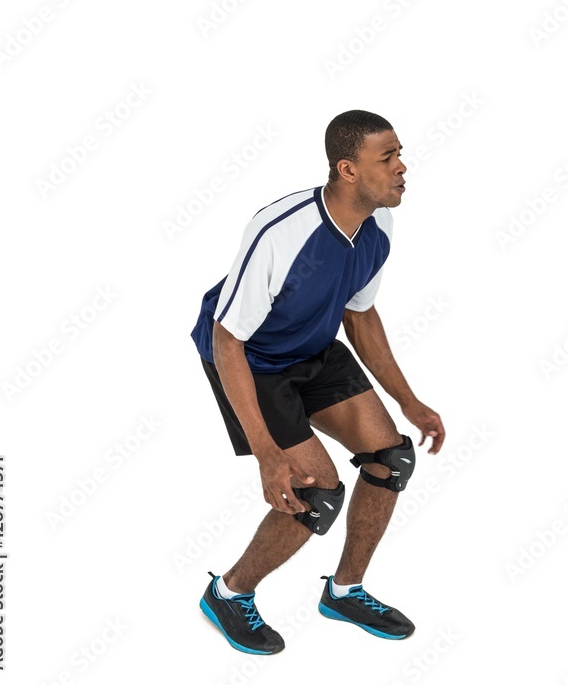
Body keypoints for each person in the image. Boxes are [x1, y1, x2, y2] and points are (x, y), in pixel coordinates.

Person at [190, 109, 445, 654]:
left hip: (311, 346)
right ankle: (230, 593)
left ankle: (345, 591)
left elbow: (360, 316)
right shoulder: (281, 230)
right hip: (249, 357)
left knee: (391, 457)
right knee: (317, 492)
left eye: (400, 154)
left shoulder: (379, 223)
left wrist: (410, 402)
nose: (403, 166)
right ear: (348, 169)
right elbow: (227, 338)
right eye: (389, 157)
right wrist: (266, 452)